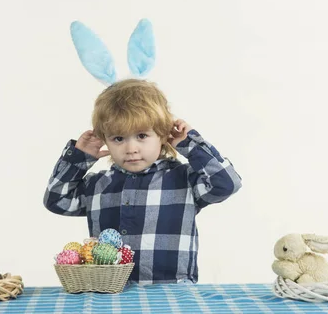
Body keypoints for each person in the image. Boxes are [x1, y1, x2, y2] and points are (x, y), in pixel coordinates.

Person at [44, 78, 242, 284]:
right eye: (118, 138)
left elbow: (227, 183)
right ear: (105, 140)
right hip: (111, 294)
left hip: (173, 295)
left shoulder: (185, 180)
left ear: (163, 134)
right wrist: (78, 159)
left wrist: (190, 145)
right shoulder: (98, 185)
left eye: (142, 135)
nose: (131, 149)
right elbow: (57, 200)